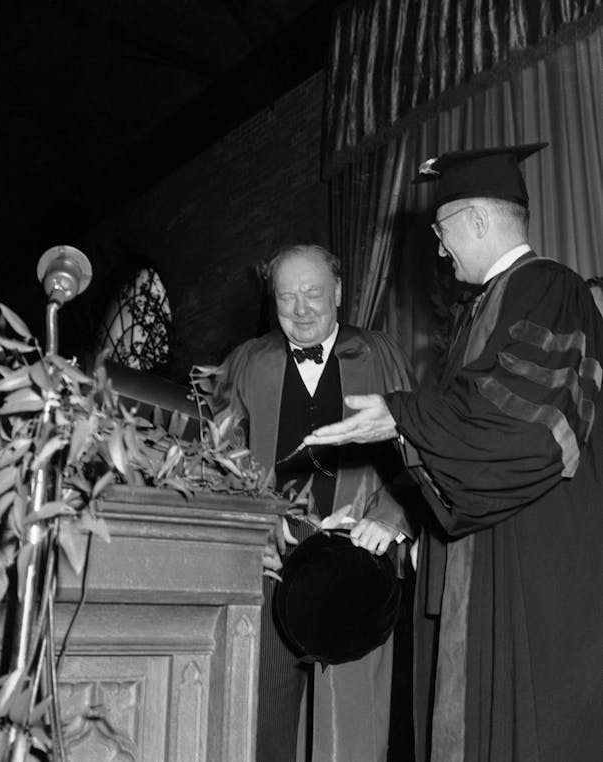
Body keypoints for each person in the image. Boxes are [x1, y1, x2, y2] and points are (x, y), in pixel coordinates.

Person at [305, 144, 603, 761]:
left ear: (475, 220)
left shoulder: (549, 287)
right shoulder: (486, 307)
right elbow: (458, 428)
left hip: (537, 561)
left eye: (442, 233)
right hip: (490, 553)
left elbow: (519, 424)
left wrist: (398, 413)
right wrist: (387, 517)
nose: (440, 251)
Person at [213, 244, 417, 762]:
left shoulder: (378, 354)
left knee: (348, 717)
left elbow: (415, 449)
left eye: (313, 294)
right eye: (286, 298)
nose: (301, 310)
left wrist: (388, 518)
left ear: (340, 294)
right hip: (271, 557)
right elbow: (216, 460)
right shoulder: (248, 362)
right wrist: (244, 531)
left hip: (353, 552)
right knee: (263, 708)